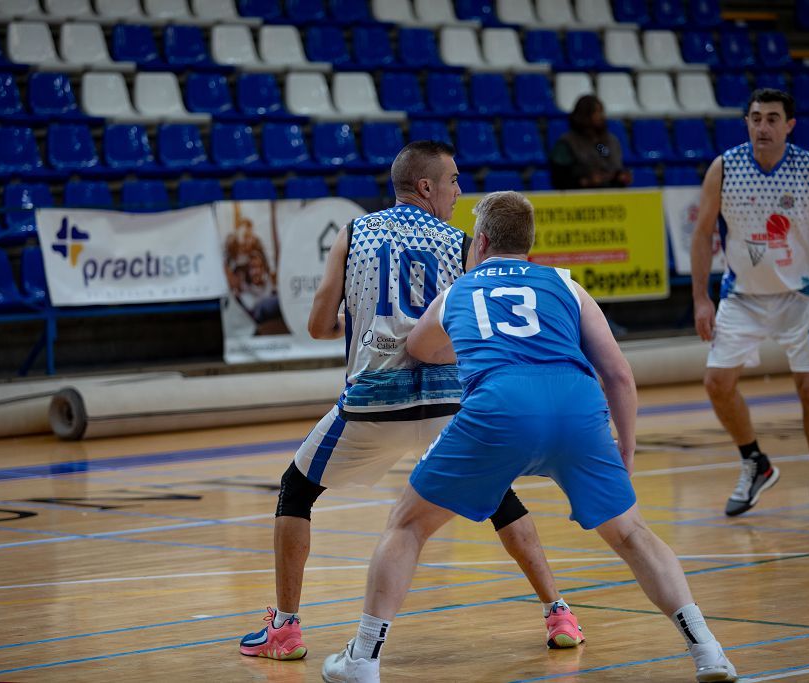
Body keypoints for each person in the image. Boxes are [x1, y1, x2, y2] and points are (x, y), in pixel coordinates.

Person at [322, 191, 738, 683]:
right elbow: (620, 376)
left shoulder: (460, 290)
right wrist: (624, 446)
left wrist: (473, 348)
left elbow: (420, 348)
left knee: (408, 524)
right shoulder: (566, 284)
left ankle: (363, 659)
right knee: (632, 534)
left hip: (500, 406)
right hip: (577, 407)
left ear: (480, 241)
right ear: (529, 243)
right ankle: (708, 650)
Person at [238, 142, 583, 662]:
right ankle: (559, 612)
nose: (459, 191)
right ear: (426, 187)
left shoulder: (354, 234)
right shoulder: (464, 243)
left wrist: (357, 325)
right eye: (453, 180)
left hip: (373, 403)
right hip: (447, 402)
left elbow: (316, 326)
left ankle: (285, 630)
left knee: (296, 490)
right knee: (500, 499)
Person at [690, 88, 809, 523]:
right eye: (756, 118)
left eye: (772, 118)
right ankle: (755, 462)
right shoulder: (723, 168)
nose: (762, 126)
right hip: (742, 296)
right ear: (746, 122)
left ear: (789, 125)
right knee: (716, 383)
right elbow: (702, 235)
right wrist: (701, 298)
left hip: (803, 296)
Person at [550, 94, 633, 190]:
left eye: (601, 112)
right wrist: (586, 181)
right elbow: (559, 179)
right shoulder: (568, 143)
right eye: (596, 112)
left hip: (612, 197)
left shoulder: (601, 144)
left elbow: (608, 160)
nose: (601, 117)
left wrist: (620, 176)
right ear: (584, 116)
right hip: (581, 199)